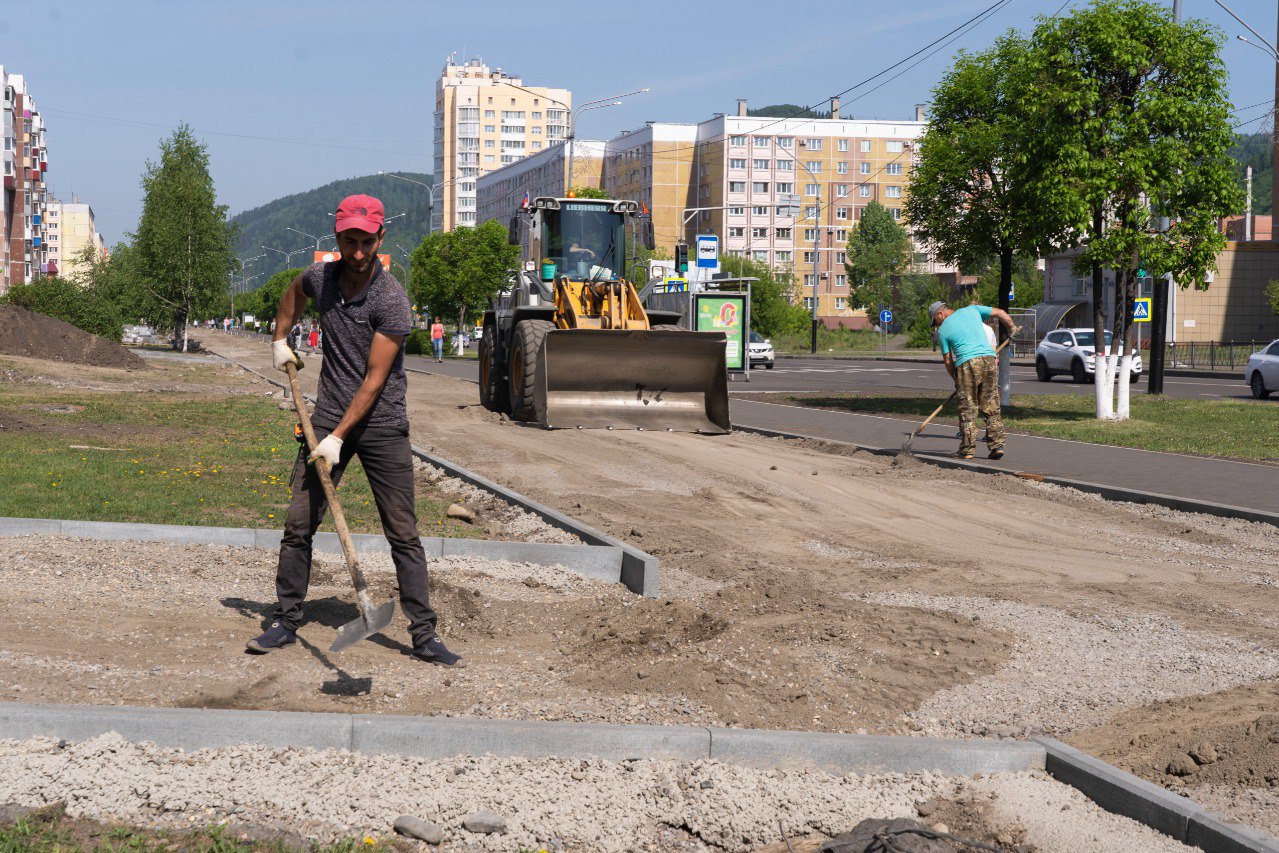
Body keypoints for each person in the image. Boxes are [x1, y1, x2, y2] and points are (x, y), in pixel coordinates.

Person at [249, 193, 464, 667]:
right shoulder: (321, 277)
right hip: (326, 416)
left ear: (380, 238)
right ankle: (285, 621)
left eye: (367, 242)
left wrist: (337, 438)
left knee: (403, 532)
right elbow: (293, 291)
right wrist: (280, 338)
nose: (359, 251)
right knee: (299, 523)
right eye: (350, 241)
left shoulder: (392, 299)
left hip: (382, 424)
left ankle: (424, 635)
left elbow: (374, 381)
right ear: (337, 237)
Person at [929, 300, 1017, 461]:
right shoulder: (972, 310)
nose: (936, 324)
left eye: (935, 320)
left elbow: (948, 361)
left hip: (967, 364)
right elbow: (1001, 313)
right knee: (991, 405)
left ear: (940, 314)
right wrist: (1011, 328)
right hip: (989, 360)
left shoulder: (942, 332)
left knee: (967, 409)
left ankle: (967, 450)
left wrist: (957, 380)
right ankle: (997, 446)